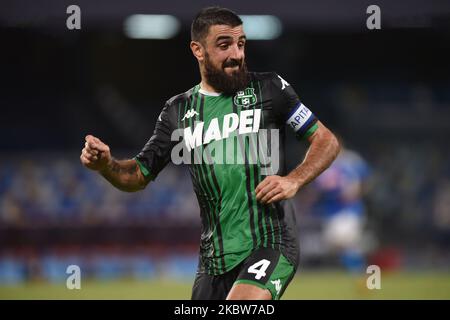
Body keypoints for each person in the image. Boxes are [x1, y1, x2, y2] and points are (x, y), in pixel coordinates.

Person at [80, 6, 340, 300]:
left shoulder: (270, 88)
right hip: (214, 260)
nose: (237, 54)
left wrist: (294, 179)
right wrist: (106, 165)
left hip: (271, 240)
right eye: (224, 45)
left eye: (241, 44)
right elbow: (138, 174)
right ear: (198, 50)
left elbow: (326, 140)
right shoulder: (177, 112)